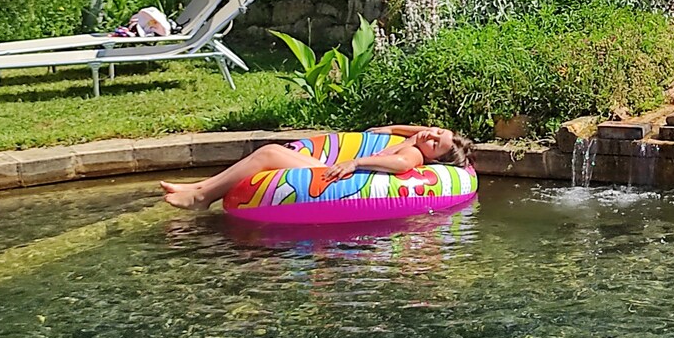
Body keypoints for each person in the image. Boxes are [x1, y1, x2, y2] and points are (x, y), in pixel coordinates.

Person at [161, 124, 474, 210]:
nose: (430, 135)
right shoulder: (421, 139)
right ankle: (199, 189)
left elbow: (398, 164)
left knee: (270, 153)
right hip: (329, 166)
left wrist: (356, 161)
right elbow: (406, 130)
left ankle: (203, 196)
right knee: (270, 153)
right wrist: (401, 130)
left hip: (333, 178)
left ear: (432, 158)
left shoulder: (416, 156)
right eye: (436, 131)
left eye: (435, 142)